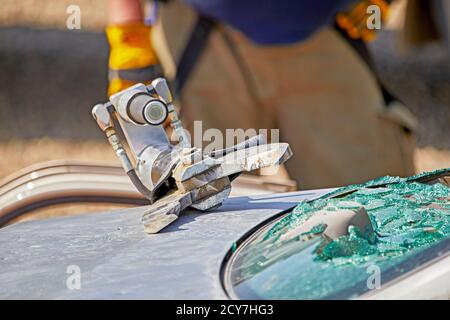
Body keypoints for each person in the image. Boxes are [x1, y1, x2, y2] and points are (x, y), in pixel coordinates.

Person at [105, 0, 416, 189]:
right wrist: (129, 35)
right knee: (207, 213)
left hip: (322, 26)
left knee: (374, 209)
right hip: (201, 35)